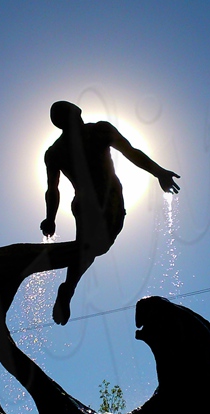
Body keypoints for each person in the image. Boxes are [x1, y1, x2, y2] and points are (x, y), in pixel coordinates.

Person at [41, 101, 180, 325]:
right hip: (108, 198)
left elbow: (52, 190)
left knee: (87, 248)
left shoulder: (55, 151)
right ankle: (68, 287)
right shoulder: (98, 131)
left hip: (83, 204)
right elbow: (131, 152)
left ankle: (68, 287)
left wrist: (51, 218)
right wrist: (159, 172)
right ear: (77, 112)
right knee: (96, 247)